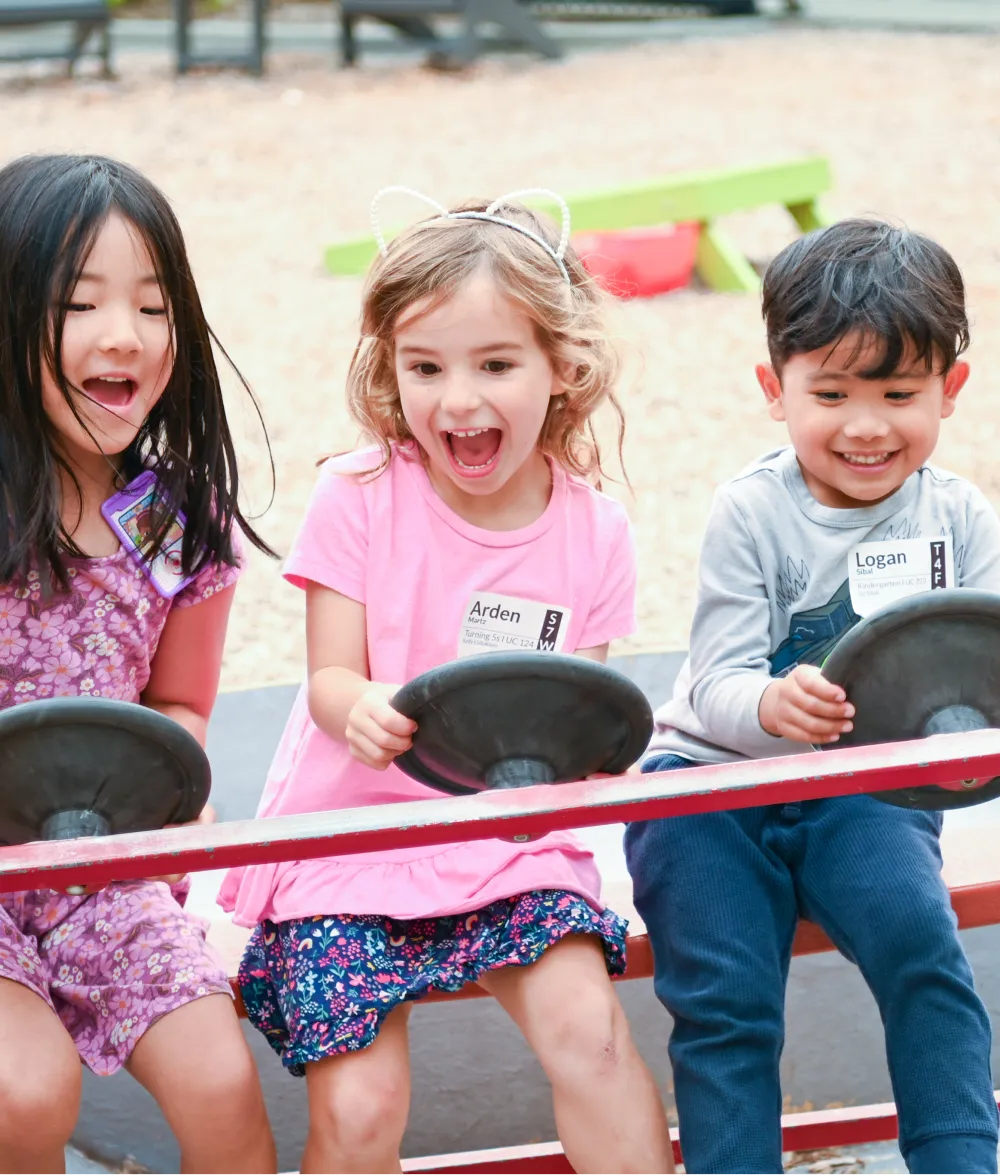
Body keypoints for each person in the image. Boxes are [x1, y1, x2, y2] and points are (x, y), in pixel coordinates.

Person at [220, 190, 673, 1175]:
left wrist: (599, 768)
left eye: (495, 364)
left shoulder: (593, 530)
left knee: (590, 1034)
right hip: (349, 844)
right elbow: (331, 676)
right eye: (424, 368)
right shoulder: (361, 494)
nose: (455, 400)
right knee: (363, 1097)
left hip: (507, 844)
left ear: (562, 367)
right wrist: (366, 709)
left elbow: (572, 727)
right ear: (390, 369)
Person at [626, 219, 1000, 1175]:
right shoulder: (750, 513)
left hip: (863, 787)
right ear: (774, 389)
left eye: (898, 393)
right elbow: (712, 685)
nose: (865, 425)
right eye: (829, 393)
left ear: (950, 392)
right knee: (725, 1000)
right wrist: (767, 706)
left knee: (923, 948)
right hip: (709, 788)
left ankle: (961, 1157)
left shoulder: (960, 518)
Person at [0, 153, 277, 1175]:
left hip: (101, 866)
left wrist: (174, 792)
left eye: (154, 307)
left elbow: (178, 703)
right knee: (24, 1092)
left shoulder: (172, 519)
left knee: (220, 1080)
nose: (125, 334)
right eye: (79, 303)